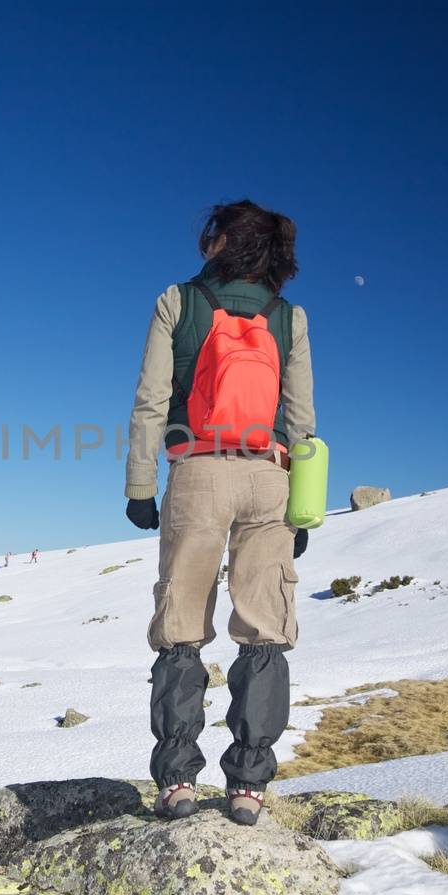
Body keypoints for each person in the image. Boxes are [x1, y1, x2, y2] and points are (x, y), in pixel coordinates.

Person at [124, 199, 315, 826]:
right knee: (264, 629)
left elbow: (152, 400)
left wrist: (140, 486)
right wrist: (304, 509)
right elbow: (301, 422)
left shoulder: (178, 302)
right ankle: (248, 785)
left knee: (181, 624)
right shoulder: (289, 319)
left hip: (199, 473)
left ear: (221, 240)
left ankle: (178, 779)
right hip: (271, 480)